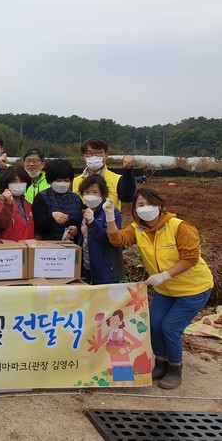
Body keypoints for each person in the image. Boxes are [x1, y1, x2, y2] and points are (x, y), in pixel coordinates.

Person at [106, 189, 213, 390]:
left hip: (193, 289)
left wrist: (164, 275)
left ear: (160, 205)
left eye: (150, 203)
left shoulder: (179, 227)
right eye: (140, 205)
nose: (146, 208)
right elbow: (117, 240)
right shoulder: (138, 229)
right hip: (165, 290)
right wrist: (110, 216)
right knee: (154, 324)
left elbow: (190, 258)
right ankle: (161, 363)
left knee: (170, 328)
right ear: (135, 210)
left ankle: (175, 368)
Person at [78, 174, 124, 285]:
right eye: (87, 192)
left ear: (102, 194)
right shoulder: (83, 210)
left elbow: (108, 239)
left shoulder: (111, 212)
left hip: (106, 269)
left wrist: (92, 223)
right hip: (86, 266)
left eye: (95, 192)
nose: (90, 195)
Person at [72, 138, 135, 210]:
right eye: (90, 153)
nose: (94, 156)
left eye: (98, 153)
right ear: (84, 156)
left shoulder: (117, 179)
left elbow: (127, 198)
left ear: (106, 155)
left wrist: (128, 170)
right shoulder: (75, 181)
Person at [32, 159, 83, 242]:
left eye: (66, 180)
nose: (62, 184)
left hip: (71, 244)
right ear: (50, 180)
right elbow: (37, 225)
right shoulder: (41, 197)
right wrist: (51, 217)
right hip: (48, 245)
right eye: (58, 180)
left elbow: (81, 222)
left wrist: (76, 230)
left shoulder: (76, 198)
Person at [0, 165, 34, 240]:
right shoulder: (0, 201)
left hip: (28, 245)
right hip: (9, 246)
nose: (18, 184)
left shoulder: (27, 204)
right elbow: (1, 224)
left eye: (22, 181)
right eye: (14, 181)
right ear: (6, 183)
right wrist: (8, 204)